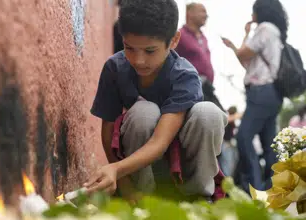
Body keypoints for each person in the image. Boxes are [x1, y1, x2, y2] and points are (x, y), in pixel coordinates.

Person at [85, 0, 227, 201]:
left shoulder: (184, 75)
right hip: (138, 168)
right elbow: (108, 132)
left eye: (150, 51)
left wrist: (115, 169)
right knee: (144, 111)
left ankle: (196, 197)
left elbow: (160, 142)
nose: (138, 60)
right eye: (129, 47)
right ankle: (143, 198)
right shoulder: (115, 69)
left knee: (208, 114)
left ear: (174, 40)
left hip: (178, 160)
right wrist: (125, 185)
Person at [222, 0, 286, 191]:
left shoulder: (264, 28)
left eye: (253, 12)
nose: (251, 16)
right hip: (272, 93)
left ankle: (255, 187)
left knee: (243, 138)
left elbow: (243, 54)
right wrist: (235, 48)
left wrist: (245, 33)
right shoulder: (276, 33)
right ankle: (272, 189)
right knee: (268, 143)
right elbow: (248, 64)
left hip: (261, 91)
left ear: (260, 12)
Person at [175, 2, 224, 111]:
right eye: (202, 11)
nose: (206, 15)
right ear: (190, 14)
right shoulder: (179, 35)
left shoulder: (204, 37)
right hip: (190, 90)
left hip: (207, 88)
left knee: (220, 117)